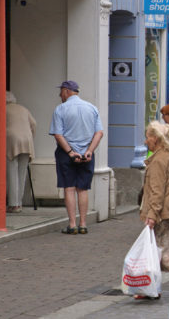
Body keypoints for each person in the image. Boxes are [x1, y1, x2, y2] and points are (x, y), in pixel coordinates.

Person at [49, 81, 103, 235]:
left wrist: (71, 152)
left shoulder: (60, 109)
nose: (60, 95)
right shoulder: (92, 108)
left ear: (67, 91)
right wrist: (89, 151)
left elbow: (58, 134)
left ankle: (72, 224)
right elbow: (99, 133)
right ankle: (83, 224)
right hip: (87, 153)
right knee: (82, 189)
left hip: (67, 154)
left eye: (61, 92)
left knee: (69, 187)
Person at [139, 120, 169, 284]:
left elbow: (157, 192)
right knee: (155, 252)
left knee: (164, 255)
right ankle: (149, 287)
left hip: (161, 213)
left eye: (147, 137)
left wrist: (151, 215)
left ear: (155, 139)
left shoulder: (158, 161)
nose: (145, 141)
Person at [6, 91, 36, 213]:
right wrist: (30, 137)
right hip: (26, 141)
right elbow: (34, 124)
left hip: (11, 142)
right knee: (22, 172)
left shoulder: (3, 109)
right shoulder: (23, 108)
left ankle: (13, 205)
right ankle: (19, 202)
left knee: (12, 172)